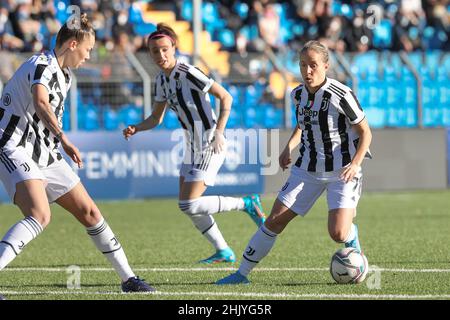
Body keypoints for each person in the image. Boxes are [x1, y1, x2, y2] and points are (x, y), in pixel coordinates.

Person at [0, 13, 154, 294]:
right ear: (72, 44)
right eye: (87, 49)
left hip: (44, 152)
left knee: (90, 212)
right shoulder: (42, 65)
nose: (88, 56)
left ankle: (128, 279)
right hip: (14, 144)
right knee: (39, 215)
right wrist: (64, 139)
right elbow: (40, 102)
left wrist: (56, 143)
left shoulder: (65, 75)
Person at [216, 40, 372, 284]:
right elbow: (303, 125)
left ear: (326, 66)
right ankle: (241, 274)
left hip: (342, 170)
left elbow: (365, 132)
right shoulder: (297, 94)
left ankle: (352, 240)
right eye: (302, 65)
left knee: (338, 233)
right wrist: (289, 147)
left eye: (313, 65)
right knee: (275, 219)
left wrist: (355, 164)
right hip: (307, 170)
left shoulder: (341, 95)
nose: (307, 71)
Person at [123, 23, 266, 264]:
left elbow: (226, 96)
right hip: (191, 146)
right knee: (188, 205)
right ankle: (223, 250)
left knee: (188, 203)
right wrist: (137, 127)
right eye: (155, 51)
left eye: (165, 49)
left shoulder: (188, 72)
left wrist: (219, 132)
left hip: (210, 142)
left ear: (174, 48)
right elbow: (156, 119)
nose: (160, 55)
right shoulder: (161, 81)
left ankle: (246, 203)